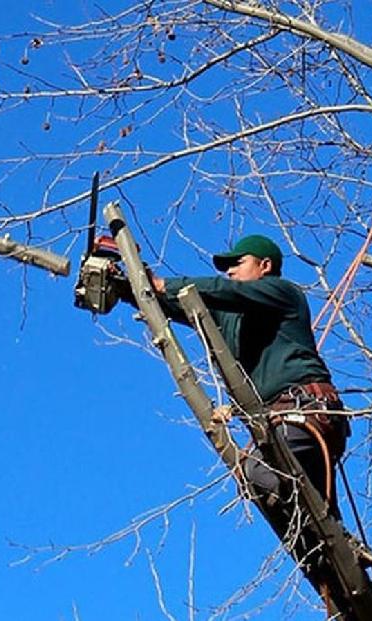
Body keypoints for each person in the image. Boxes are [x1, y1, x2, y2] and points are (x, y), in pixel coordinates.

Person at [127, 233, 350, 609]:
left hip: (305, 410)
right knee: (307, 527)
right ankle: (343, 585)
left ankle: (339, 555)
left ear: (265, 266)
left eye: (237, 263)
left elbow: (218, 291)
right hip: (279, 424)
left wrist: (165, 283)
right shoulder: (229, 314)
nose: (229, 271)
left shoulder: (282, 293)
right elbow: (179, 303)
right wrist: (131, 283)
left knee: (259, 472)